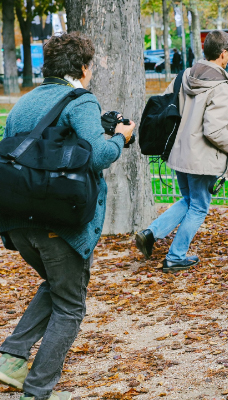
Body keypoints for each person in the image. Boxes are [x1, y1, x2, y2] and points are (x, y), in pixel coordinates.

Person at [0, 32, 135, 400]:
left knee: (59, 287)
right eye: (89, 66)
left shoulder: (22, 104)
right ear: (81, 68)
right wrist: (121, 136)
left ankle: (11, 356)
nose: (91, 73)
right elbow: (97, 157)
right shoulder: (80, 100)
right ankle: (38, 389)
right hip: (60, 223)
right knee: (71, 305)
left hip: (19, 224)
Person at [132, 31, 228, 273]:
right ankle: (176, 256)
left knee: (189, 200)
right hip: (202, 158)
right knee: (198, 207)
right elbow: (214, 131)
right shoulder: (220, 86)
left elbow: (166, 105)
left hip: (179, 152)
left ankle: (151, 233)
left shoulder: (185, 75)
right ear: (223, 53)